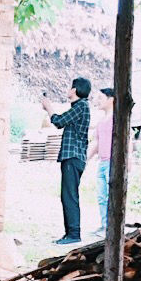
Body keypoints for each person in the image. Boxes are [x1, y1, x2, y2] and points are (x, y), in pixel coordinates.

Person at [50, 77, 92, 243]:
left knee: (69, 196)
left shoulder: (81, 105)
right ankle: (70, 233)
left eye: (70, 87)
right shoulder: (79, 107)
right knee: (67, 195)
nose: (68, 90)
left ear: (74, 90)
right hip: (73, 158)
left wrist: (49, 108)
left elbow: (59, 121)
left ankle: (74, 234)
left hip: (73, 157)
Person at [91, 87, 115, 234]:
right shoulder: (101, 122)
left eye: (101, 98)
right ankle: (104, 224)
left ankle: (111, 226)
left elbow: (128, 140)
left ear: (111, 99)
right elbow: (97, 143)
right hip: (102, 163)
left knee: (111, 196)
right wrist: (85, 159)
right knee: (101, 196)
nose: (97, 101)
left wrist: (129, 159)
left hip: (112, 163)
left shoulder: (117, 119)